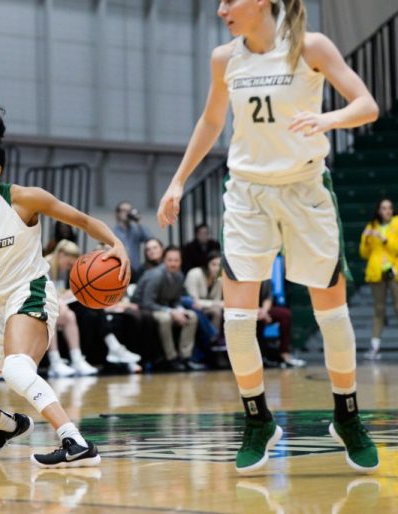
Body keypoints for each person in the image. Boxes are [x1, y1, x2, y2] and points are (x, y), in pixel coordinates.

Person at [157, 0, 380, 473]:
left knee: (332, 314)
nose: (221, 10)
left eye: (228, 1)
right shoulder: (224, 58)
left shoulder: (311, 47)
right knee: (238, 319)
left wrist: (328, 120)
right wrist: (178, 180)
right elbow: (212, 120)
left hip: (305, 189)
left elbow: (367, 105)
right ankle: (258, 420)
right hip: (247, 194)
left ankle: (347, 415)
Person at [0, 109, 130, 468]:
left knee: (16, 368)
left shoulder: (24, 199)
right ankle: (9, 425)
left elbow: (82, 220)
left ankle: (75, 442)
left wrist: (116, 243)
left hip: (30, 292)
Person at [138, 246, 200, 371]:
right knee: (166, 318)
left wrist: (180, 309)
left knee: (191, 316)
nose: (173, 264)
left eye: (176, 260)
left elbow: (175, 299)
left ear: (181, 261)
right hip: (147, 308)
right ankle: (171, 358)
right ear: (164, 261)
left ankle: (185, 357)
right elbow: (146, 302)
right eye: (170, 260)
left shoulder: (179, 276)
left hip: (164, 306)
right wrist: (171, 312)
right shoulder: (156, 275)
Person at [44, 240, 99, 377]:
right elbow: (44, 292)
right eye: (68, 264)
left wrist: (66, 295)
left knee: (70, 316)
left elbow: (59, 291)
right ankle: (54, 361)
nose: (69, 267)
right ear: (61, 254)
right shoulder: (45, 266)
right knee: (53, 314)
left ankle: (76, 359)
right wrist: (59, 299)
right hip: (39, 304)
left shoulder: (61, 269)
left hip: (54, 304)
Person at [359, 197, 398, 360]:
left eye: (389, 208)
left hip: (394, 271)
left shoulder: (396, 223)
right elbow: (364, 253)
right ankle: (375, 347)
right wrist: (366, 239)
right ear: (378, 210)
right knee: (379, 310)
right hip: (376, 272)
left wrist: (384, 239)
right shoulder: (372, 226)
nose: (387, 211)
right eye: (384, 208)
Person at [256, 279, 305, 367]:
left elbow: (268, 298)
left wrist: (264, 312)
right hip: (246, 311)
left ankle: (284, 354)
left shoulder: (266, 278)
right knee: (253, 321)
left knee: (285, 315)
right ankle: (256, 357)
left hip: (263, 311)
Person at [112, 201, 151, 280]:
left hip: (136, 270)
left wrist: (138, 222)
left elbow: (150, 239)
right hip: (119, 270)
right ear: (118, 213)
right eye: (124, 210)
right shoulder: (112, 232)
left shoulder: (137, 230)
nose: (127, 213)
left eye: (129, 210)